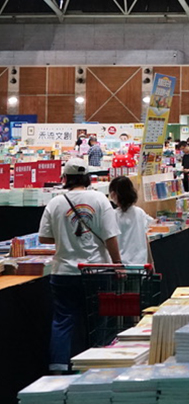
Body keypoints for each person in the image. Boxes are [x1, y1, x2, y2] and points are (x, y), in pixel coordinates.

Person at [38, 158, 122, 372]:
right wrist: (118, 264)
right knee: (98, 318)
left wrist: (65, 237)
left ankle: (58, 366)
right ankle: (95, 363)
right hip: (97, 270)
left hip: (63, 272)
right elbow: (110, 236)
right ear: (88, 178)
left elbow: (44, 238)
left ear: (65, 178)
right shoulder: (100, 200)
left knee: (63, 320)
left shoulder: (55, 202)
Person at [108, 176, 154, 267]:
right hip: (140, 265)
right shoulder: (140, 212)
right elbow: (145, 239)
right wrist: (151, 262)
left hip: (122, 266)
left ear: (113, 194)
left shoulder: (113, 215)